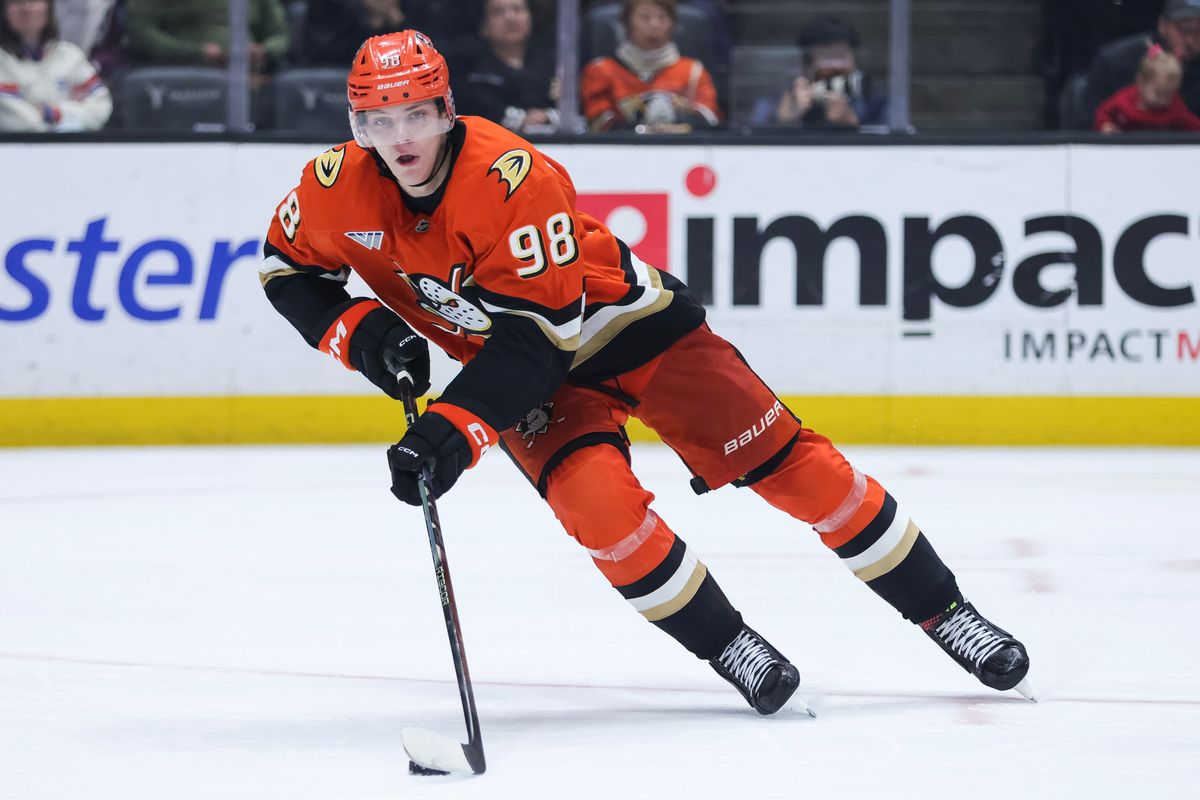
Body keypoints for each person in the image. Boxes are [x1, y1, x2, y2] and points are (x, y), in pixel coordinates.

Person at [260, 30, 1033, 716]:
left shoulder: (511, 178)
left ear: (448, 111)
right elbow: (285, 270)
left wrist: (450, 435)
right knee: (602, 514)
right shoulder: (333, 187)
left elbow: (542, 341)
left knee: (798, 472)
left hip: (624, 331)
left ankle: (946, 612)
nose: (400, 137)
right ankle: (731, 646)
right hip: (534, 380)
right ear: (356, 126)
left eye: (417, 114)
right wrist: (362, 335)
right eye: (377, 120)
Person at [580, 0, 720, 133]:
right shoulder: (601, 71)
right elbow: (598, 123)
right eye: (645, 17)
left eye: (662, 17)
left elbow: (709, 120)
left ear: (673, 24)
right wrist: (642, 130)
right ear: (627, 23)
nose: (654, 24)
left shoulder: (693, 71)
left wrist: (680, 127)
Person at [1076, 0, 1200, 128]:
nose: (1190, 41)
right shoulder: (1116, 63)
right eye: (1184, 31)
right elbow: (1090, 122)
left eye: (1198, 32)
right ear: (1163, 26)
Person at [754, 15, 887, 130]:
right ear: (806, 65)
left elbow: (892, 153)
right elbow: (751, 149)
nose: (836, 67)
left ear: (855, 60)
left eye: (841, 56)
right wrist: (785, 123)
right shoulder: (775, 105)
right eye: (827, 58)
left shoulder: (878, 106)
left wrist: (852, 126)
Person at [0, 0, 112, 131]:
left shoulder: (70, 55)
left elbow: (100, 105)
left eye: (34, 1)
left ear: (49, 7)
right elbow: (12, 118)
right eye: (16, 2)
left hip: (73, 146)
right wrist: (51, 128)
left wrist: (56, 113)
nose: (27, 8)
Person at [454, 0, 558, 134]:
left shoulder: (554, 62)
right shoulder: (470, 69)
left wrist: (547, 116)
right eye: (498, 12)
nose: (511, 18)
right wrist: (521, 119)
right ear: (483, 25)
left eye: (518, 9)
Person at [125, 0, 289, 77]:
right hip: (181, 80)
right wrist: (194, 53)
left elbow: (281, 34)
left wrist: (263, 51)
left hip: (249, 80)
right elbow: (139, 30)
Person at [1094, 44, 1200, 132]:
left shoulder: (1176, 108)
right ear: (1141, 83)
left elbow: (1192, 125)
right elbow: (1103, 113)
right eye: (1158, 93)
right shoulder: (1122, 101)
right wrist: (1106, 125)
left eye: (1169, 94)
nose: (1163, 100)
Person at [302, 0, 406, 67]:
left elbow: (420, 46)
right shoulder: (334, 6)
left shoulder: (406, 6)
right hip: (337, 68)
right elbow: (319, 53)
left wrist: (398, 22)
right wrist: (365, 15)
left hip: (394, 69)